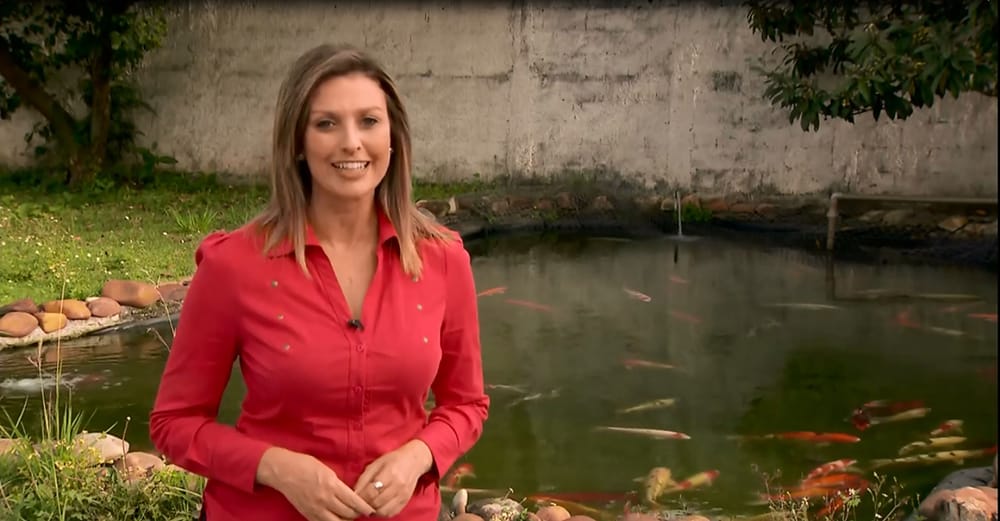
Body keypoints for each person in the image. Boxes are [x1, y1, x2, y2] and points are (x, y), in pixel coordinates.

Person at [149, 44, 490, 521]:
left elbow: (466, 404)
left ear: (393, 137)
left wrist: (419, 457)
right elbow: (174, 423)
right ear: (297, 142)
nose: (351, 142)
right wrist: (276, 468)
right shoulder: (234, 266)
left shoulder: (443, 259)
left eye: (369, 121)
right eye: (326, 123)